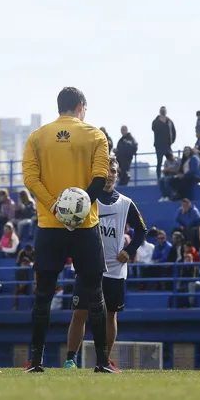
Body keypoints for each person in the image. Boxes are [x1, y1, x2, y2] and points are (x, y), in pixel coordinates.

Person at [22, 86, 114, 373]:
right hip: (85, 225)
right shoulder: (96, 135)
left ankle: (35, 362)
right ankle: (101, 363)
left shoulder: (37, 136)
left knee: (43, 296)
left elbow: (29, 178)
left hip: (50, 225)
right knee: (95, 295)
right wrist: (79, 208)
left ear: (59, 106)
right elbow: (101, 177)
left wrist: (55, 207)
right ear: (81, 106)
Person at [63, 157, 147, 370]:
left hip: (114, 269)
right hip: (87, 265)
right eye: (106, 170)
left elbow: (142, 231)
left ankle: (104, 360)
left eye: (113, 171)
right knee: (80, 312)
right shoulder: (85, 198)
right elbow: (69, 225)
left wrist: (128, 251)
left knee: (110, 314)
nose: (109, 174)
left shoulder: (125, 203)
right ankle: (70, 359)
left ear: (117, 174)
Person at [152, 106, 176, 180]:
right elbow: (153, 129)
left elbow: (174, 132)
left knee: (171, 161)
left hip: (168, 145)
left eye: (164, 110)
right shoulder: (155, 121)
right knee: (159, 162)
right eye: (162, 110)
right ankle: (159, 178)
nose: (163, 111)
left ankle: (171, 176)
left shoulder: (169, 121)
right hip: (159, 146)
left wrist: (171, 141)